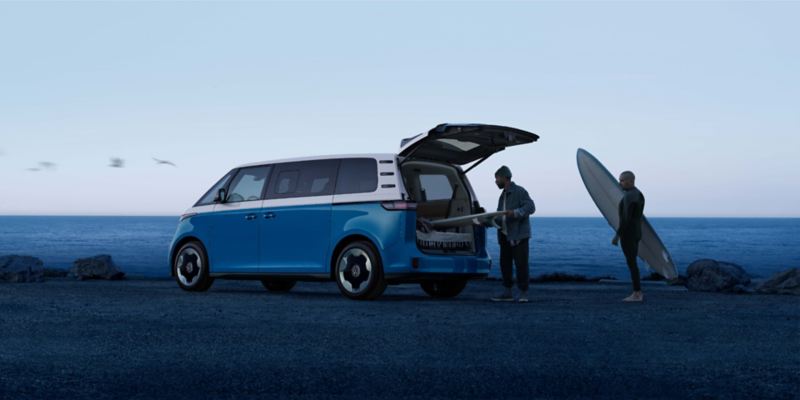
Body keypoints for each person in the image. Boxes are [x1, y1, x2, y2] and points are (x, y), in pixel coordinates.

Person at [489, 166, 536, 303]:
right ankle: (507, 293)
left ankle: (523, 294)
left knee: (521, 264)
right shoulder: (502, 196)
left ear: (504, 177)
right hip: (504, 235)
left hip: (519, 235)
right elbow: (500, 216)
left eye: (497, 178)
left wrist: (515, 212)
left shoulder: (520, 191)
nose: (496, 181)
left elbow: (531, 207)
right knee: (505, 264)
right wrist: (487, 221)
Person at [612, 170, 645, 302]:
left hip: (628, 234)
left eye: (622, 180)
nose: (619, 183)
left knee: (631, 263)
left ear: (630, 181)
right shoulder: (638, 194)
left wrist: (617, 236)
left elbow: (626, 219)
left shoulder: (629, 196)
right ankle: (637, 292)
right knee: (633, 263)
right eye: (619, 180)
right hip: (636, 232)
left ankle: (637, 293)